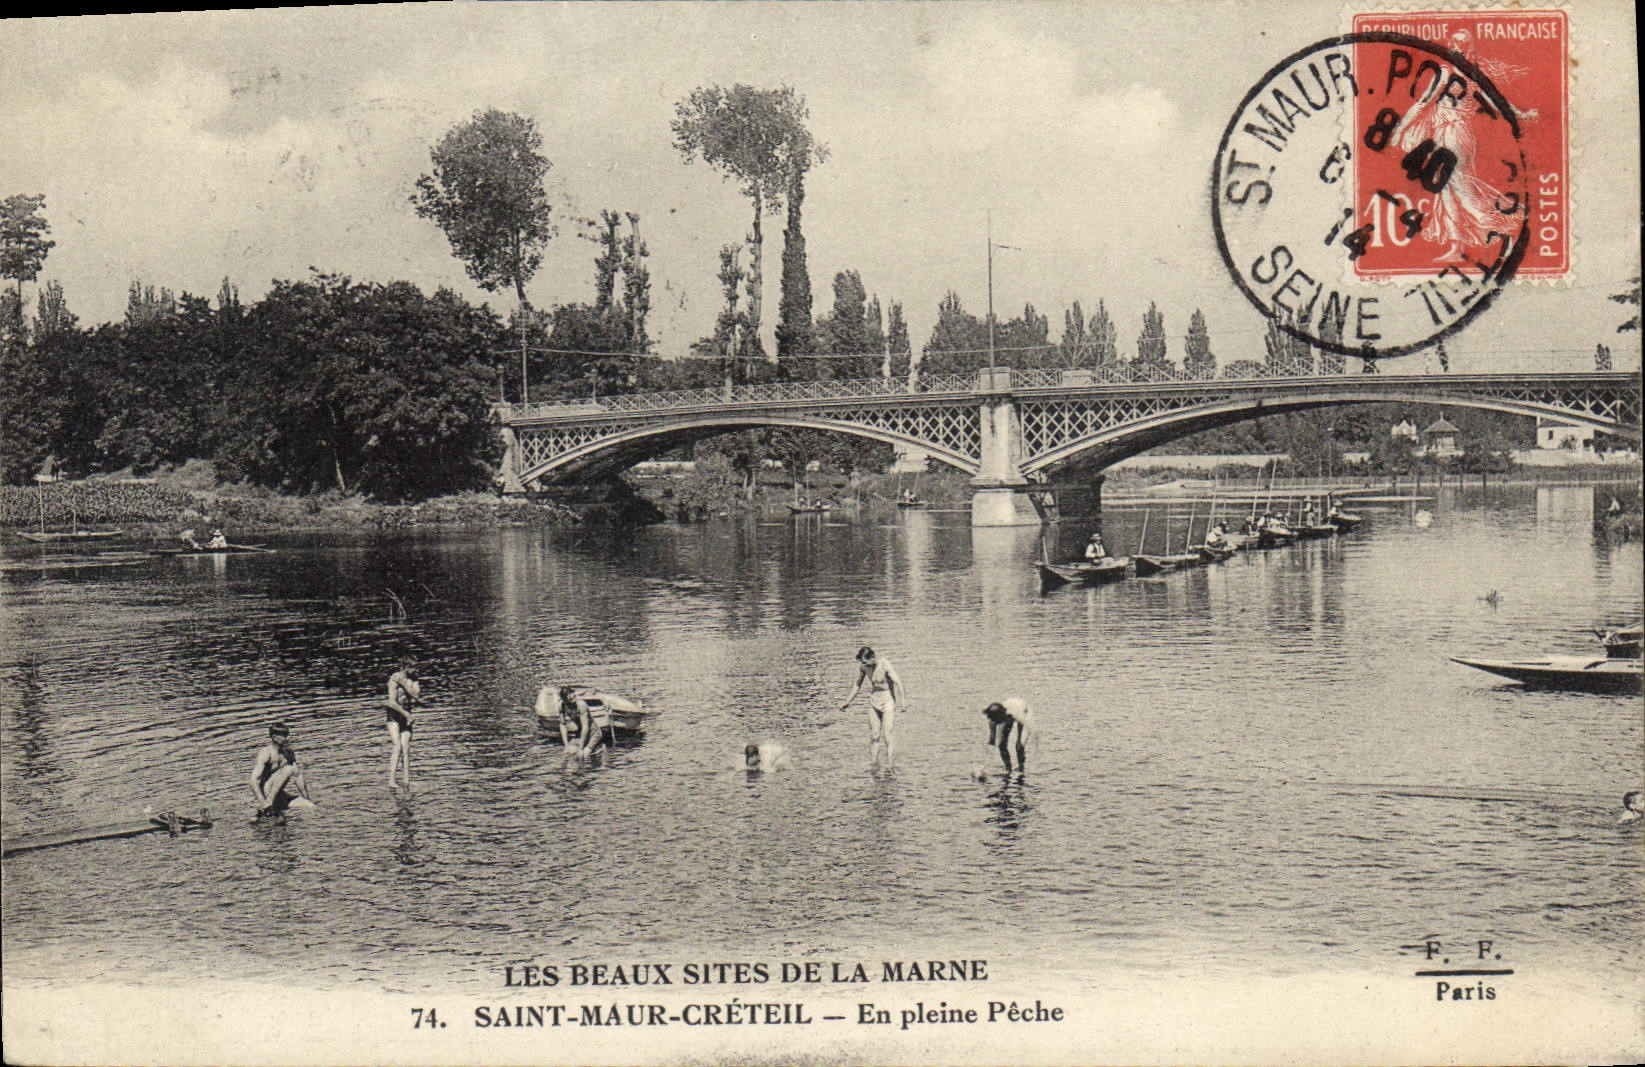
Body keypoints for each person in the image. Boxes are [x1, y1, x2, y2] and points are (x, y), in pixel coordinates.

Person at [840, 646, 903, 764]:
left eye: (865, 661)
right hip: (874, 702)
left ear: (872, 657)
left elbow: (898, 683)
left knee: (887, 736)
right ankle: (874, 764)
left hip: (887, 702)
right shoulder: (864, 667)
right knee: (874, 735)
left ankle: (890, 764)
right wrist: (848, 701)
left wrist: (902, 703)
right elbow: (857, 685)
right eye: (862, 662)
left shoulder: (884, 664)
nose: (864, 664)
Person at [249, 721, 311, 819]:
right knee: (290, 768)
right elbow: (253, 780)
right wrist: (263, 803)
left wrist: (306, 798)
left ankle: (272, 810)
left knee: (309, 806)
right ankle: (268, 805)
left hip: (280, 795)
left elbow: (298, 776)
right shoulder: (266, 753)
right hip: (266, 793)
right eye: (285, 736)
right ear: (275, 738)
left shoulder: (288, 752)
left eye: (288, 735)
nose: (288, 738)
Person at [384, 666, 421, 787]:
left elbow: (416, 695)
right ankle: (391, 780)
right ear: (406, 667)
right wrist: (406, 714)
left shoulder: (413, 679)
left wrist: (404, 684)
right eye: (413, 668)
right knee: (397, 745)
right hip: (394, 715)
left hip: (406, 714)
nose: (416, 670)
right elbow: (391, 702)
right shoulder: (394, 678)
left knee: (406, 747)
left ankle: (406, 780)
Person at [982, 697, 1035, 773]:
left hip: (1022, 713)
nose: (995, 722)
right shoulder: (993, 719)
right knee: (1001, 745)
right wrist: (984, 767)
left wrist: (1019, 741)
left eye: (997, 721)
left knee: (1019, 746)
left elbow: (1024, 731)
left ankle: (1021, 770)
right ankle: (1008, 769)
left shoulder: (1018, 715)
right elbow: (992, 741)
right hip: (1006, 713)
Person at [555, 685, 604, 758]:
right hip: (580, 732)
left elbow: (585, 726)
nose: (572, 697)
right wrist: (566, 745)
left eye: (572, 694)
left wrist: (581, 748)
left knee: (584, 754)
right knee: (569, 753)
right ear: (564, 700)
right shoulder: (561, 706)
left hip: (594, 733)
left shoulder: (581, 705)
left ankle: (600, 747)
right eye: (569, 697)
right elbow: (562, 725)